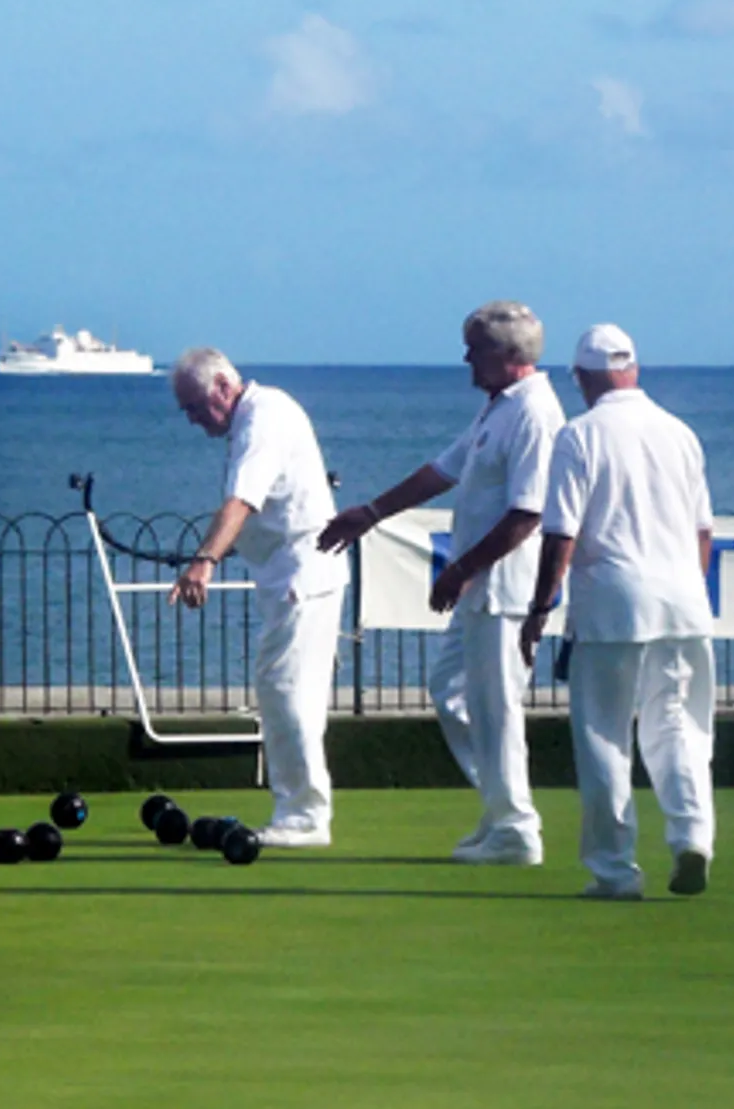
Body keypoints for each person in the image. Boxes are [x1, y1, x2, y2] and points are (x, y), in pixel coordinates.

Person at [319, 301, 563, 864]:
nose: (466, 359)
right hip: (482, 588)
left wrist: (460, 568)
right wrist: (372, 511)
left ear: (507, 355)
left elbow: (528, 514)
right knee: (452, 689)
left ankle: (517, 828)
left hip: (503, 590)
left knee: (496, 706)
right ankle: (502, 810)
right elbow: (442, 470)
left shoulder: (534, 414)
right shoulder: (498, 409)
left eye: (475, 349)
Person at [521, 324, 717, 900]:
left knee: (605, 735)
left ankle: (614, 870)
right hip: (683, 602)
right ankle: (692, 836)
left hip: (612, 603)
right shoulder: (680, 433)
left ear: (582, 377)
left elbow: (560, 534)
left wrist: (539, 608)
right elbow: (703, 532)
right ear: (633, 370)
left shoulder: (579, 435)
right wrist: (686, 587)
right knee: (678, 725)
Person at [169, 348, 349, 848]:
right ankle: (301, 809)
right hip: (290, 573)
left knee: (284, 687)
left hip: (303, 571)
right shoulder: (257, 414)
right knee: (288, 689)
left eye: (195, 407)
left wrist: (205, 560)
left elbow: (241, 501)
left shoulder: (262, 420)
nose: (192, 420)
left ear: (223, 388)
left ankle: (305, 816)